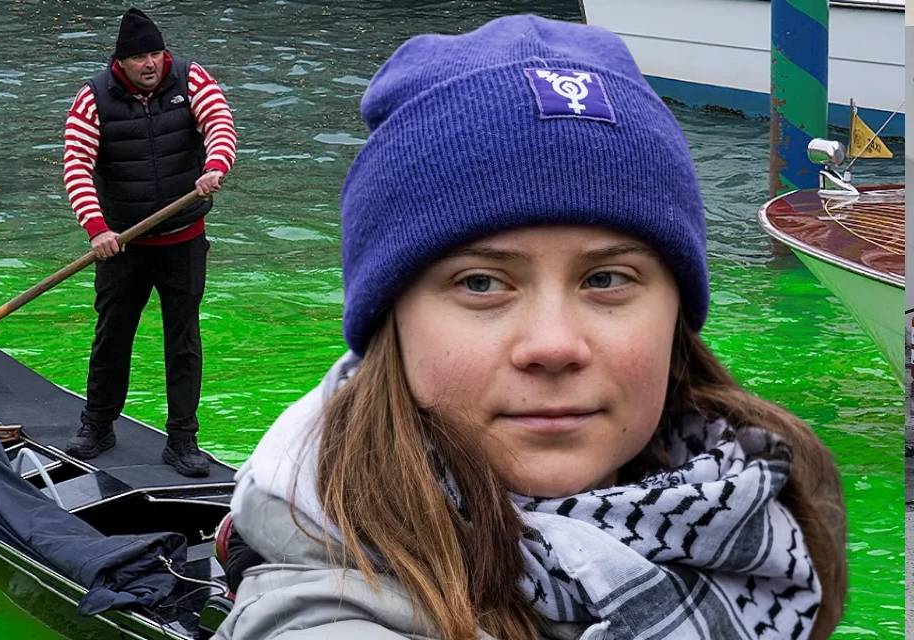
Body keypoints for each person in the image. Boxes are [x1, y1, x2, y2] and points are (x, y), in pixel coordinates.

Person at [214, 15, 846, 640]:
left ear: (675, 313)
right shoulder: (326, 611)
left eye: (606, 279)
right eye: (482, 283)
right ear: (391, 322)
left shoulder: (769, 516)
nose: (553, 345)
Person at [61, 8, 236, 477]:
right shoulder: (93, 98)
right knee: (112, 336)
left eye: (156, 53)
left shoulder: (191, 78)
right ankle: (97, 425)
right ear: (122, 62)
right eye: (140, 57)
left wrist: (215, 164)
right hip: (123, 245)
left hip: (184, 240)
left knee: (184, 341)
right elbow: (76, 165)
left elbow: (220, 123)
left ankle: (183, 439)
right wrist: (97, 229)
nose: (151, 64)